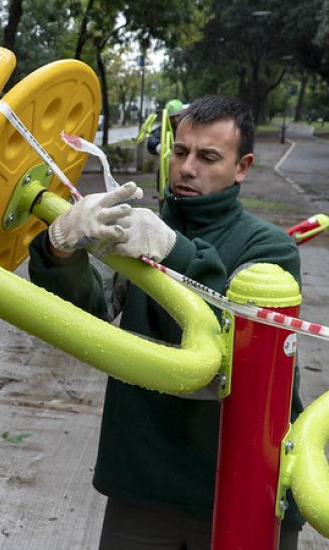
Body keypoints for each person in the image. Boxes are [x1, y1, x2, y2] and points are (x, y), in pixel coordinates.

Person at [29, 95, 304, 549]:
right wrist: (61, 246)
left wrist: (173, 249)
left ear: (242, 167)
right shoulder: (135, 229)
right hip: (142, 485)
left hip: (242, 487)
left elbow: (236, 344)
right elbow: (87, 317)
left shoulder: (269, 248)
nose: (187, 168)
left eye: (208, 156)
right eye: (180, 152)